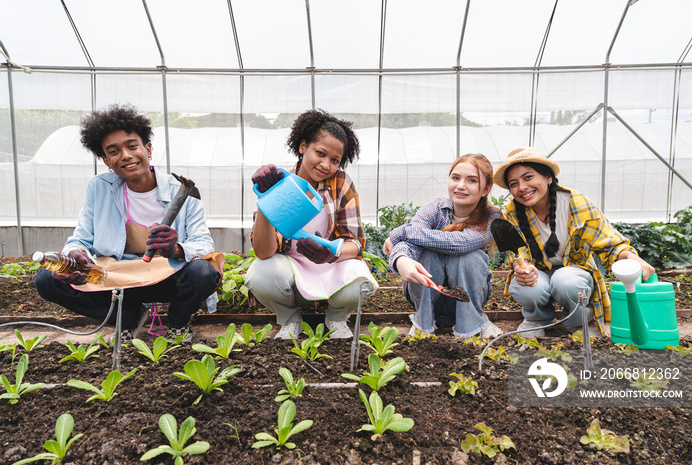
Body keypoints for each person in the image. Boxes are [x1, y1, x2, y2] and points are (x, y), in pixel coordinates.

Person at [35, 104, 223, 342]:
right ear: (106, 160)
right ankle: (126, 317)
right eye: (113, 151)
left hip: (167, 277)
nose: (125, 155)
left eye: (132, 146)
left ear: (148, 148)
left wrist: (174, 249)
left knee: (204, 272)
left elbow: (204, 243)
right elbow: (81, 239)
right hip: (120, 280)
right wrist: (76, 253)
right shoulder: (99, 188)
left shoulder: (181, 192)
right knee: (47, 280)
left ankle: (178, 321)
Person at [493, 147, 655, 337]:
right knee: (525, 287)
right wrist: (524, 270)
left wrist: (632, 258)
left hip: (574, 273)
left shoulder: (575, 203)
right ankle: (537, 320)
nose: (521, 187)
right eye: (514, 183)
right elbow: (518, 255)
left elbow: (610, 243)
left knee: (566, 281)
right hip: (540, 274)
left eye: (528, 177)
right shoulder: (511, 212)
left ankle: (579, 322)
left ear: (548, 177)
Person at [245, 109, 377, 340]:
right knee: (260, 273)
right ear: (303, 146)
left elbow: (355, 243)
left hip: (330, 268)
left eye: (334, 160)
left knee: (361, 280)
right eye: (321, 153)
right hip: (290, 270)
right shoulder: (280, 182)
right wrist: (267, 202)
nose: (326, 164)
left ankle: (336, 318)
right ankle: (289, 318)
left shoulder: (341, 183)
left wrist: (332, 252)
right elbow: (264, 252)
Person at [383, 153, 504, 339]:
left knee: (471, 256)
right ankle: (422, 325)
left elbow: (460, 243)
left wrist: (402, 232)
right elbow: (409, 244)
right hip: (427, 298)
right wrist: (401, 259)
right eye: (456, 178)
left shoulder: (492, 218)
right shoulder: (436, 208)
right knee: (427, 254)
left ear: (486, 189)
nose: (461, 185)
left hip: (467, 303)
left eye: (471, 180)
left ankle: (471, 326)